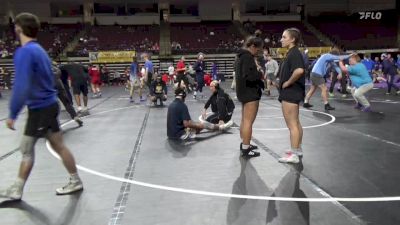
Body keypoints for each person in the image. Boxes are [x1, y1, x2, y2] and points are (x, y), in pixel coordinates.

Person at [1, 12, 83, 201]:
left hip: (40, 109)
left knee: (27, 148)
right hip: (49, 104)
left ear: (19, 29)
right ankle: (75, 179)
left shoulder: (25, 52)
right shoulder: (40, 50)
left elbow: (21, 85)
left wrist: (12, 113)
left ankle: (17, 189)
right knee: (57, 146)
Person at [276, 27, 305, 164]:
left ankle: (294, 154)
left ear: (292, 39)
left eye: (284, 37)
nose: (281, 39)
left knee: (292, 124)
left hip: (291, 93)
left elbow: (299, 71)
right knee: (296, 123)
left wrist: (287, 83)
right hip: (293, 92)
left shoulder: (294, 53)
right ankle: (297, 149)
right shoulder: (292, 53)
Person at [235, 35, 264, 158]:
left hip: (243, 92)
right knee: (248, 122)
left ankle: (245, 144)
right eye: (257, 50)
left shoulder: (240, 57)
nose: (258, 52)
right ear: (252, 46)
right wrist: (260, 74)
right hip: (250, 93)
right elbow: (249, 76)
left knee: (244, 120)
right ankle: (246, 149)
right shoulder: (247, 57)